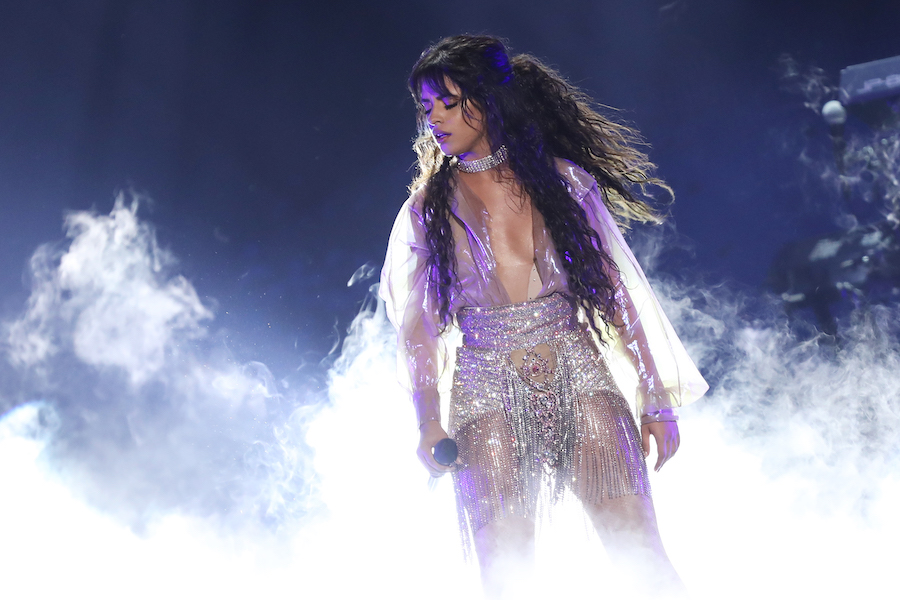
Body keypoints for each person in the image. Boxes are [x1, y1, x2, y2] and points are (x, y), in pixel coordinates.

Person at [379, 35, 708, 599]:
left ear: (487, 98)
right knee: (507, 580)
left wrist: (657, 397)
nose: (434, 117)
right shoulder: (426, 209)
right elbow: (418, 329)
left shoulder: (563, 182)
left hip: (578, 372)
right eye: (426, 106)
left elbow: (616, 294)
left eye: (448, 102)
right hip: (485, 392)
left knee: (644, 562)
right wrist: (427, 420)